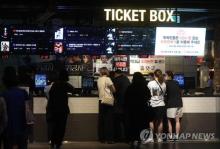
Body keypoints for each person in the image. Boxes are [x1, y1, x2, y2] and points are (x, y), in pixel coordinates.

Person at [0, 66, 29, 149]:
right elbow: (27, 112)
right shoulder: (23, 93)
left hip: (8, 130)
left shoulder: (3, 95)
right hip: (22, 129)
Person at [46, 69, 75, 149]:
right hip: (63, 109)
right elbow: (73, 90)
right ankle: (58, 144)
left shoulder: (55, 84)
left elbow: (50, 95)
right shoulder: (66, 85)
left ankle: (52, 143)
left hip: (53, 109)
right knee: (61, 127)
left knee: (54, 126)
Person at [124, 72, 151, 146]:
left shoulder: (130, 87)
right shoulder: (145, 87)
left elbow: (126, 98)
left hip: (132, 110)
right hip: (143, 109)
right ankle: (142, 139)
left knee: (133, 124)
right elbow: (149, 96)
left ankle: (133, 139)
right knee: (142, 124)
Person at [146, 69, 166, 143]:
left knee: (151, 121)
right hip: (161, 105)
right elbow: (163, 93)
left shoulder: (150, 83)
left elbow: (147, 92)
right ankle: (159, 138)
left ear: (154, 75)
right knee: (160, 122)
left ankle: (151, 138)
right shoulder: (163, 84)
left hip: (152, 105)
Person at [97, 67, 116, 144]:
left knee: (101, 120)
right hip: (108, 101)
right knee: (109, 120)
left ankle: (102, 138)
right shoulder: (108, 79)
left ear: (101, 72)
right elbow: (114, 90)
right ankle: (109, 139)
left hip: (101, 100)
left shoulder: (99, 79)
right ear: (106, 72)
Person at [113, 69, 130, 142]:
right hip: (127, 104)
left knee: (117, 122)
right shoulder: (126, 79)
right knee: (126, 122)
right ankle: (127, 138)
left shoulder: (116, 80)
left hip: (119, 104)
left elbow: (114, 91)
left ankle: (118, 138)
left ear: (116, 74)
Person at [165, 71, 183, 141]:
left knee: (169, 121)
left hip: (171, 104)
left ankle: (170, 137)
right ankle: (177, 137)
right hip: (179, 104)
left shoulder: (166, 83)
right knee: (177, 121)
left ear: (168, 76)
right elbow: (180, 92)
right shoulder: (177, 82)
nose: (164, 77)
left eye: (165, 75)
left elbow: (166, 94)